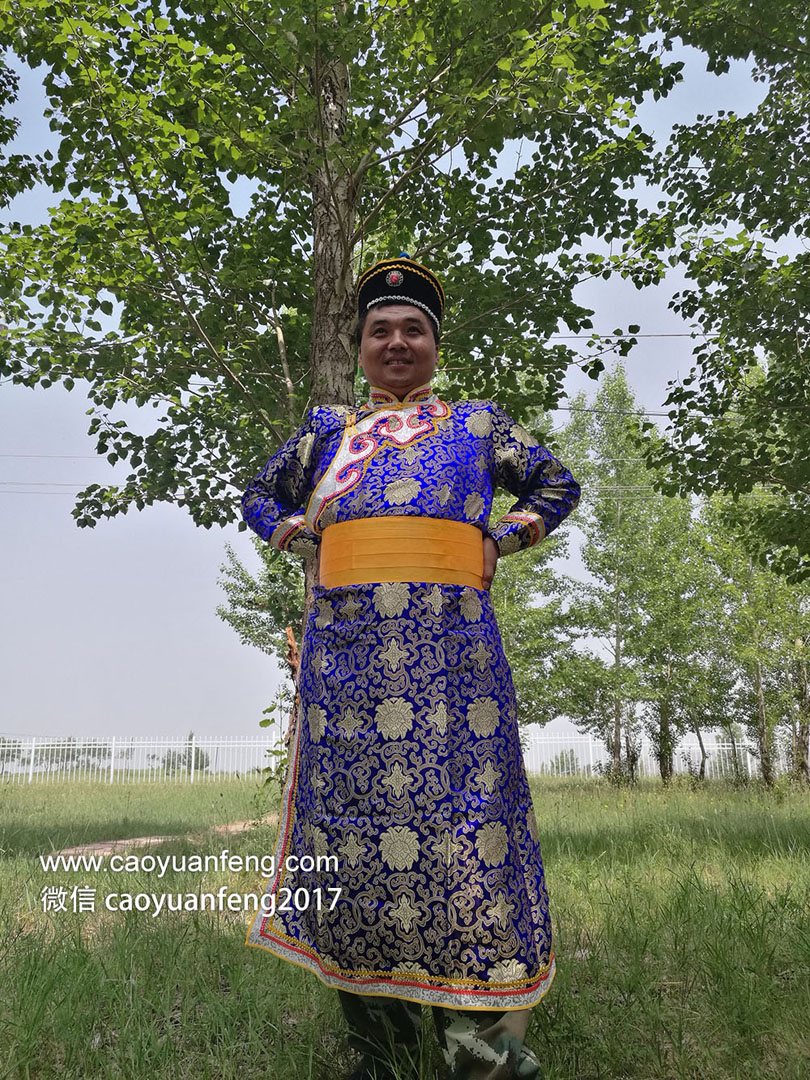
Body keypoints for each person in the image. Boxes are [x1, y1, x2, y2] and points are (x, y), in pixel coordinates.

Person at [242, 256, 580, 1080]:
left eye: (413, 330)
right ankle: (377, 1048)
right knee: (353, 843)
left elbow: (557, 481)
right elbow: (260, 492)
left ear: (435, 343)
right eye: (379, 331)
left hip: (455, 659)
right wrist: (293, 533)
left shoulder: (478, 424)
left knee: (471, 834)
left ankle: (481, 1046)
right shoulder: (328, 430)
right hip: (347, 667)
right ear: (359, 347)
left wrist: (506, 536)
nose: (397, 342)